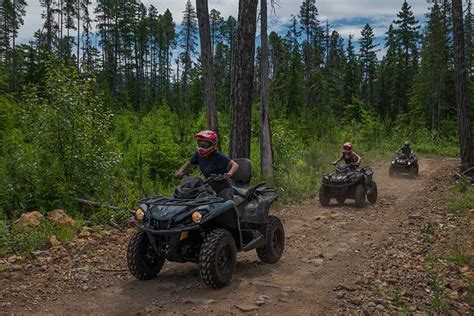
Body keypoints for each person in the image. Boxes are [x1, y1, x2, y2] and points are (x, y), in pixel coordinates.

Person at [175, 130, 239, 200]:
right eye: (200, 144)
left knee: (227, 204)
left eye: (205, 145)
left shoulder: (219, 156)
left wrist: (229, 174)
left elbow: (235, 165)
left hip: (222, 188)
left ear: (213, 144)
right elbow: (188, 163)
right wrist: (180, 172)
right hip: (208, 187)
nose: (202, 147)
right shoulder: (198, 155)